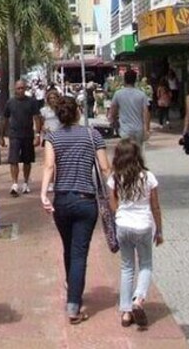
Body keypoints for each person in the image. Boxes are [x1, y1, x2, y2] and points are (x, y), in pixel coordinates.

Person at [40, 96, 111, 324]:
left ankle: (72, 287)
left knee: (69, 248)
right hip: (86, 199)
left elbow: (49, 166)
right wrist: (114, 195)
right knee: (79, 252)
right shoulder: (93, 135)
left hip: (62, 199)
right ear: (78, 112)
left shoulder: (53, 137)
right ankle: (73, 306)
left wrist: (43, 193)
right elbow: (105, 167)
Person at [107, 139, 164, 329]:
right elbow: (155, 206)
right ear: (137, 155)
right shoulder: (148, 177)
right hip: (143, 226)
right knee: (146, 264)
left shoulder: (115, 177)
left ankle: (125, 312)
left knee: (126, 267)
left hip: (123, 225)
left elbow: (112, 204)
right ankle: (138, 299)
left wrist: (120, 217)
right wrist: (160, 230)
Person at [1, 79, 42, 196]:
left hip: (28, 135)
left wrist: (37, 135)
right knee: (13, 160)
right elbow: (5, 119)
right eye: (18, 88)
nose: (20, 90)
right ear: (15, 89)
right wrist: (1, 136)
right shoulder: (10, 102)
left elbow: (36, 118)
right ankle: (14, 184)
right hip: (14, 135)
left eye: (22, 88)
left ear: (25, 89)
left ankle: (25, 183)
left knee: (27, 161)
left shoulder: (32, 102)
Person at [109, 70, 150, 145]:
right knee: (138, 153)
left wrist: (113, 122)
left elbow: (112, 112)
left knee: (126, 153)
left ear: (124, 80)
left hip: (125, 130)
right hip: (138, 129)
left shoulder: (118, 94)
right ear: (135, 80)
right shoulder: (141, 94)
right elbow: (146, 113)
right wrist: (147, 129)